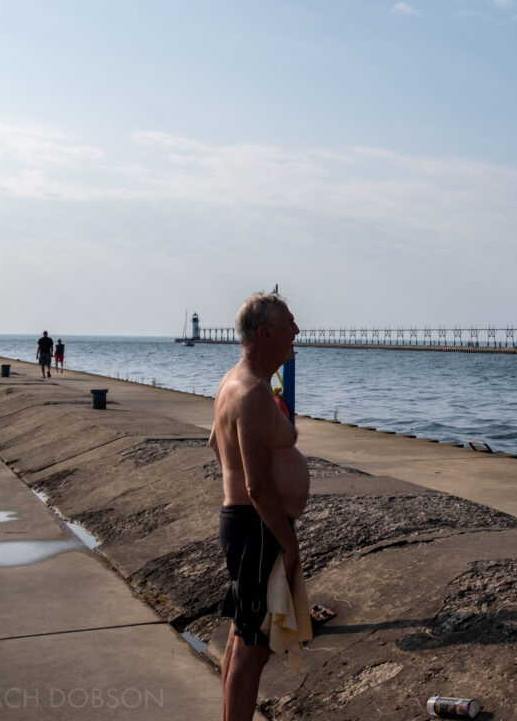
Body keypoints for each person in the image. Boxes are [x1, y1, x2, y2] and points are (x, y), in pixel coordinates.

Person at [209, 292, 308, 721]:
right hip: (258, 528)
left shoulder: (236, 381)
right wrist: (288, 546)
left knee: (240, 638)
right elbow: (257, 486)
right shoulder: (250, 392)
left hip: (247, 524)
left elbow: (216, 443)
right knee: (253, 651)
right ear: (265, 331)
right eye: (289, 323)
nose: (297, 331)